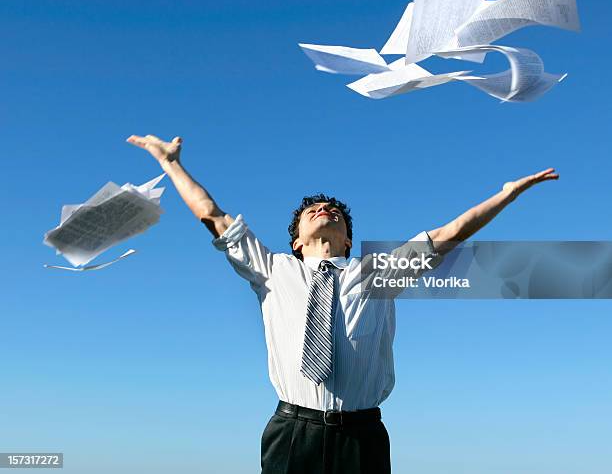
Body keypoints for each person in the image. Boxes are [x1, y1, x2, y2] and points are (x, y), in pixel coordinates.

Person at [127, 133, 559, 474]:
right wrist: (171, 164)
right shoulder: (272, 269)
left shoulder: (377, 272)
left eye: (333, 210)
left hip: (363, 436)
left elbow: (449, 235)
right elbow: (214, 217)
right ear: (296, 240)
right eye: (312, 209)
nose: (323, 209)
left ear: (348, 239)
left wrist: (507, 194)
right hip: (293, 433)